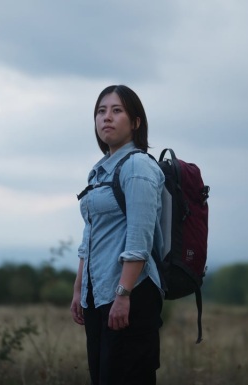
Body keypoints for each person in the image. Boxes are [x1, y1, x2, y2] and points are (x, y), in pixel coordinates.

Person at [71, 85, 165, 385]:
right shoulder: (99, 172)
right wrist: (78, 290)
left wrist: (123, 295)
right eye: (101, 111)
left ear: (135, 122)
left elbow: (140, 238)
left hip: (130, 295)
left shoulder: (137, 166)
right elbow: (90, 237)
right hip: (98, 296)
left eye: (116, 110)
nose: (106, 118)